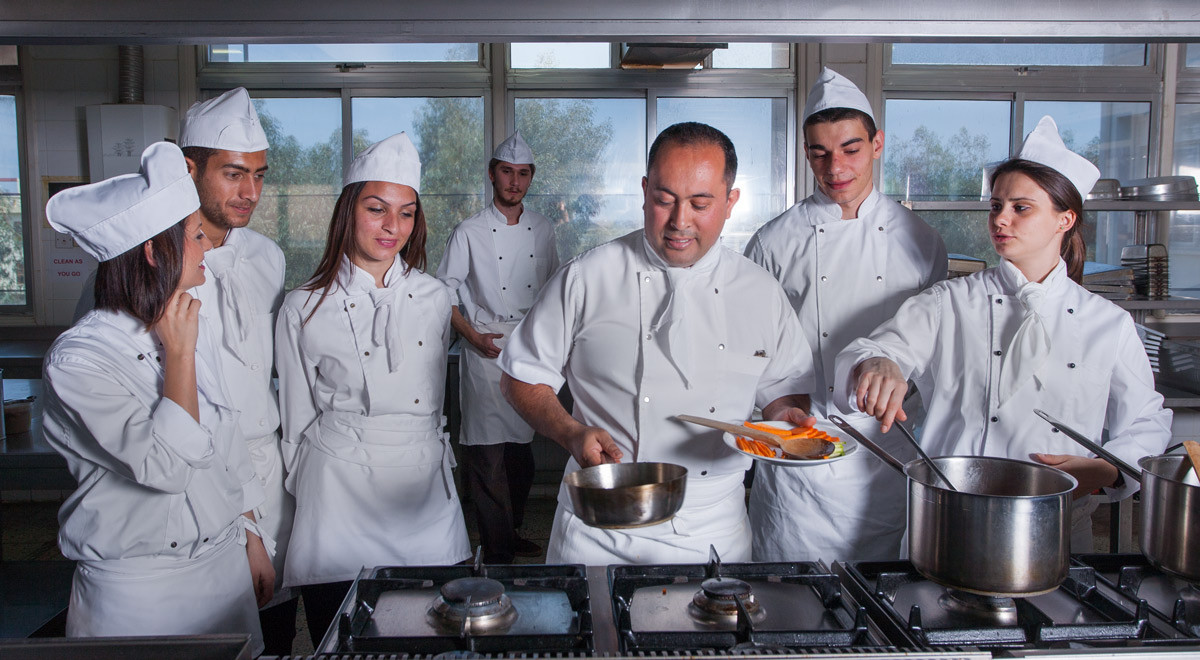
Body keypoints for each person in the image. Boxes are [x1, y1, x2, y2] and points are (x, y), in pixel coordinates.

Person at [834, 116, 1172, 551]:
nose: (1001, 219)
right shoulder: (949, 302)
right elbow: (876, 349)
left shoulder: (1107, 323)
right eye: (996, 206)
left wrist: (1108, 469)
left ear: (1064, 219)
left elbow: (1147, 420)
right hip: (948, 525)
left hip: (1057, 533)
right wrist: (877, 362)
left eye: (1020, 207)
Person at [498, 122, 816, 565]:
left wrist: (785, 419)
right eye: (664, 200)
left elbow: (783, 390)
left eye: (700, 203)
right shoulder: (588, 276)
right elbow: (520, 377)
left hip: (714, 533)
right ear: (645, 191)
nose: (679, 221)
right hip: (599, 524)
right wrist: (570, 433)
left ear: (731, 202)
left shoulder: (761, 292)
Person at [42, 142, 272, 654]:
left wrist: (253, 535)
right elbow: (167, 467)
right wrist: (181, 359)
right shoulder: (79, 360)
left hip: (222, 568)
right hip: (138, 591)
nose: (209, 246)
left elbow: (227, 434)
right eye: (195, 236)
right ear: (153, 251)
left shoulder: (182, 319)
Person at [744, 68, 947, 564]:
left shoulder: (921, 241)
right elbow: (750, 343)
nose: (835, 166)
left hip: (888, 449)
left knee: (886, 599)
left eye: (851, 149)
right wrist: (770, 409)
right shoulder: (774, 242)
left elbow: (934, 346)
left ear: (877, 144)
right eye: (819, 153)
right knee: (792, 598)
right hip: (799, 453)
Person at [275, 132, 470, 642]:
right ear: (347, 210)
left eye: (406, 213)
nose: (392, 226)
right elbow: (295, 421)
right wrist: (314, 492)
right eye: (377, 208)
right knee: (340, 637)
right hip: (338, 494)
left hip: (423, 489)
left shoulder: (434, 296)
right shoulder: (303, 306)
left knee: (435, 636)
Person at [178, 86, 298, 654]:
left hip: (266, 463)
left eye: (259, 174)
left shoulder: (268, 258)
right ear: (189, 168)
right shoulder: (147, 262)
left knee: (273, 619)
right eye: (232, 174)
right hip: (191, 470)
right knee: (208, 628)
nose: (250, 192)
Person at [437, 131, 559, 564]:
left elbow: (553, 292)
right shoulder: (468, 231)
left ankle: (510, 528)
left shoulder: (543, 229)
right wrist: (472, 336)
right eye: (506, 172)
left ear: (530, 178)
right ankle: (499, 551)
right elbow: (443, 293)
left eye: (522, 174)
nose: (514, 181)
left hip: (525, 349)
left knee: (519, 456)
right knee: (487, 459)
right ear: (492, 175)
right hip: (483, 348)